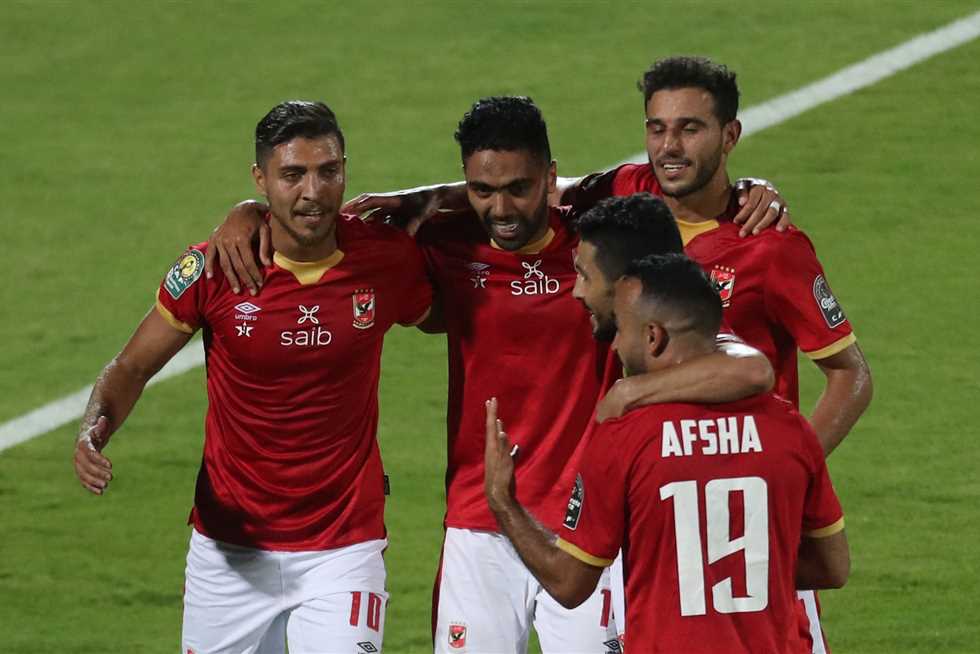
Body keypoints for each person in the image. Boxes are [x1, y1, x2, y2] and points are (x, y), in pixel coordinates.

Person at [204, 96, 776, 653]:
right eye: (482, 190)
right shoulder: (442, 242)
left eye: (518, 188)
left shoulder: (600, 250)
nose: (501, 209)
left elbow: (745, 364)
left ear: (549, 179)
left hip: (590, 520)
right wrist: (247, 212)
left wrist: (631, 392)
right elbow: (315, 229)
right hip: (478, 525)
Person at [71, 101, 432, 653]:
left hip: (343, 546)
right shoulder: (215, 267)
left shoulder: (385, 259)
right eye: (292, 175)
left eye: (328, 171)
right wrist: (92, 429)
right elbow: (132, 366)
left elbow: (454, 310)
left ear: (345, 170)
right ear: (260, 179)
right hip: (229, 553)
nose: (313, 192)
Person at [569, 56, 872, 651]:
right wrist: (409, 203)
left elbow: (850, 376)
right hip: (651, 511)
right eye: (657, 128)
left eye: (690, 128)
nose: (669, 147)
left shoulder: (770, 248)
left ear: (730, 135)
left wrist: (785, 471)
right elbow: (534, 192)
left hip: (744, 525)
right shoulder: (630, 200)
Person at [484, 252, 850, 654]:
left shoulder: (624, 437)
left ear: (653, 337)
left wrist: (503, 501)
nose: (615, 344)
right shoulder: (789, 428)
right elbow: (832, 567)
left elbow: (568, 583)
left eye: (621, 329)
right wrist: (737, 565)